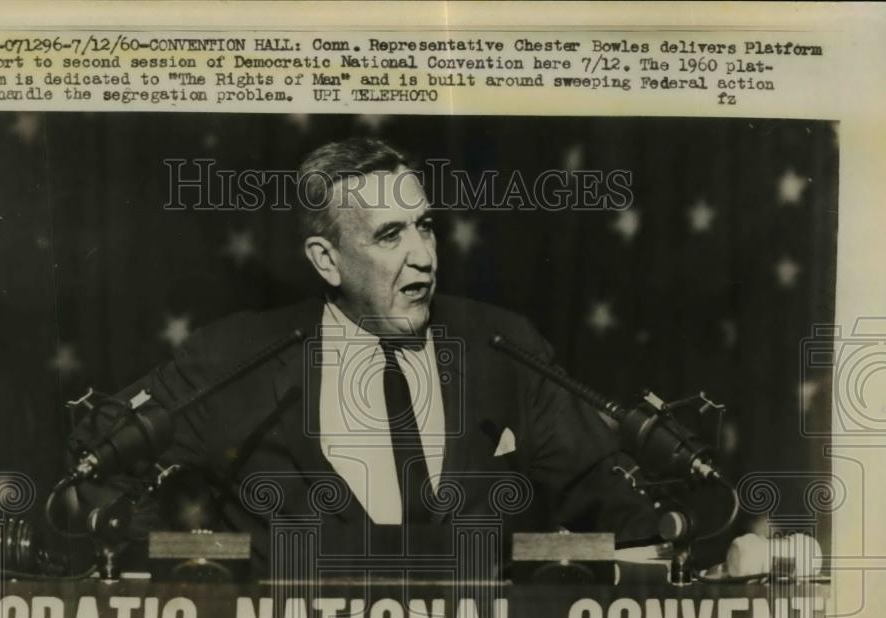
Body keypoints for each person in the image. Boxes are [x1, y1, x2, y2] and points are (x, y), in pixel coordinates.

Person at [69, 138, 657, 575]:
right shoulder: (234, 358)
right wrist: (156, 573)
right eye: (389, 235)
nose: (423, 256)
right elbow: (99, 451)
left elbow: (608, 496)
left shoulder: (502, 346)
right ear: (327, 261)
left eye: (425, 227)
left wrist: (680, 551)